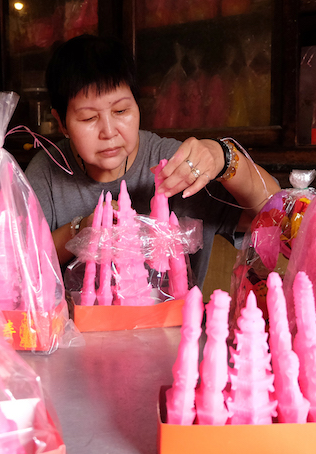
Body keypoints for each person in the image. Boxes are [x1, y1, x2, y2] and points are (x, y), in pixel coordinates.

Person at [25, 34, 280, 289]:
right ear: (61, 123)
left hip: (177, 315)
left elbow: (276, 214)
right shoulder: (46, 170)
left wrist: (224, 157)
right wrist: (81, 230)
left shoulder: (178, 164)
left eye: (121, 111)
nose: (109, 132)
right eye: (89, 118)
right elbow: (21, 263)